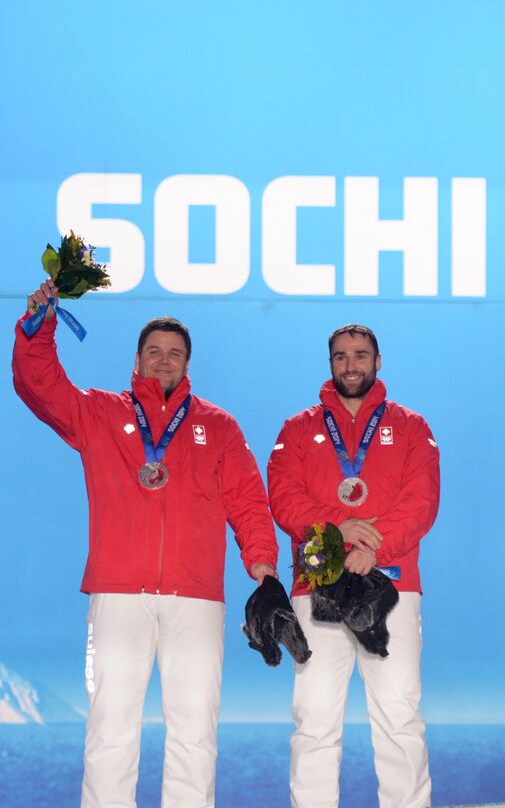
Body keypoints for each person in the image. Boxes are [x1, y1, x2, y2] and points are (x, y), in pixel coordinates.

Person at [13, 279, 279, 808]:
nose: (163, 361)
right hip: (118, 594)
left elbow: (249, 502)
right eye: (154, 352)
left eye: (174, 354)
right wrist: (39, 328)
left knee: (195, 730)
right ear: (137, 360)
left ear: (187, 365)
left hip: (196, 598)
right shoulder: (100, 413)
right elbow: (40, 387)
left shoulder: (218, 427)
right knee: (110, 727)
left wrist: (264, 570)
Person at [267, 324, 441, 808]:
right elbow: (283, 497)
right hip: (317, 587)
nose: (351, 364)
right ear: (330, 365)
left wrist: (373, 550)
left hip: (390, 585)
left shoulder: (411, 427)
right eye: (341, 356)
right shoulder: (297, 429)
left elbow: (422, 502)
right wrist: (336, 531)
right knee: (315, 717)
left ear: (378, 362)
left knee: (398, 715)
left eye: (361, 355)